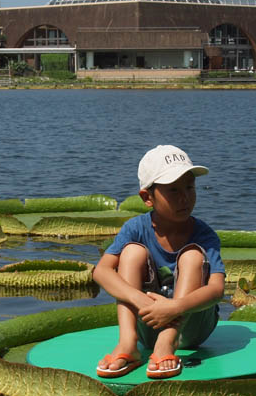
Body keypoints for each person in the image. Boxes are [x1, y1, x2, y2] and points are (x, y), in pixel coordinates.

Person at [93, 145, 226, 379]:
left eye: (189, 187)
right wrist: (140, 299)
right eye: (173, 190)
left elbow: (216, 290)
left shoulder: (204, 234)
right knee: (131, 252)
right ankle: (128, 343)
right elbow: (101, 271)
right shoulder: (134, 228)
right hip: (148, 321)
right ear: (147, 197)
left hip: (192, 326)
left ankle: (167, 342)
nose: (184, 197)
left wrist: (175, 307)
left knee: (193, 255)